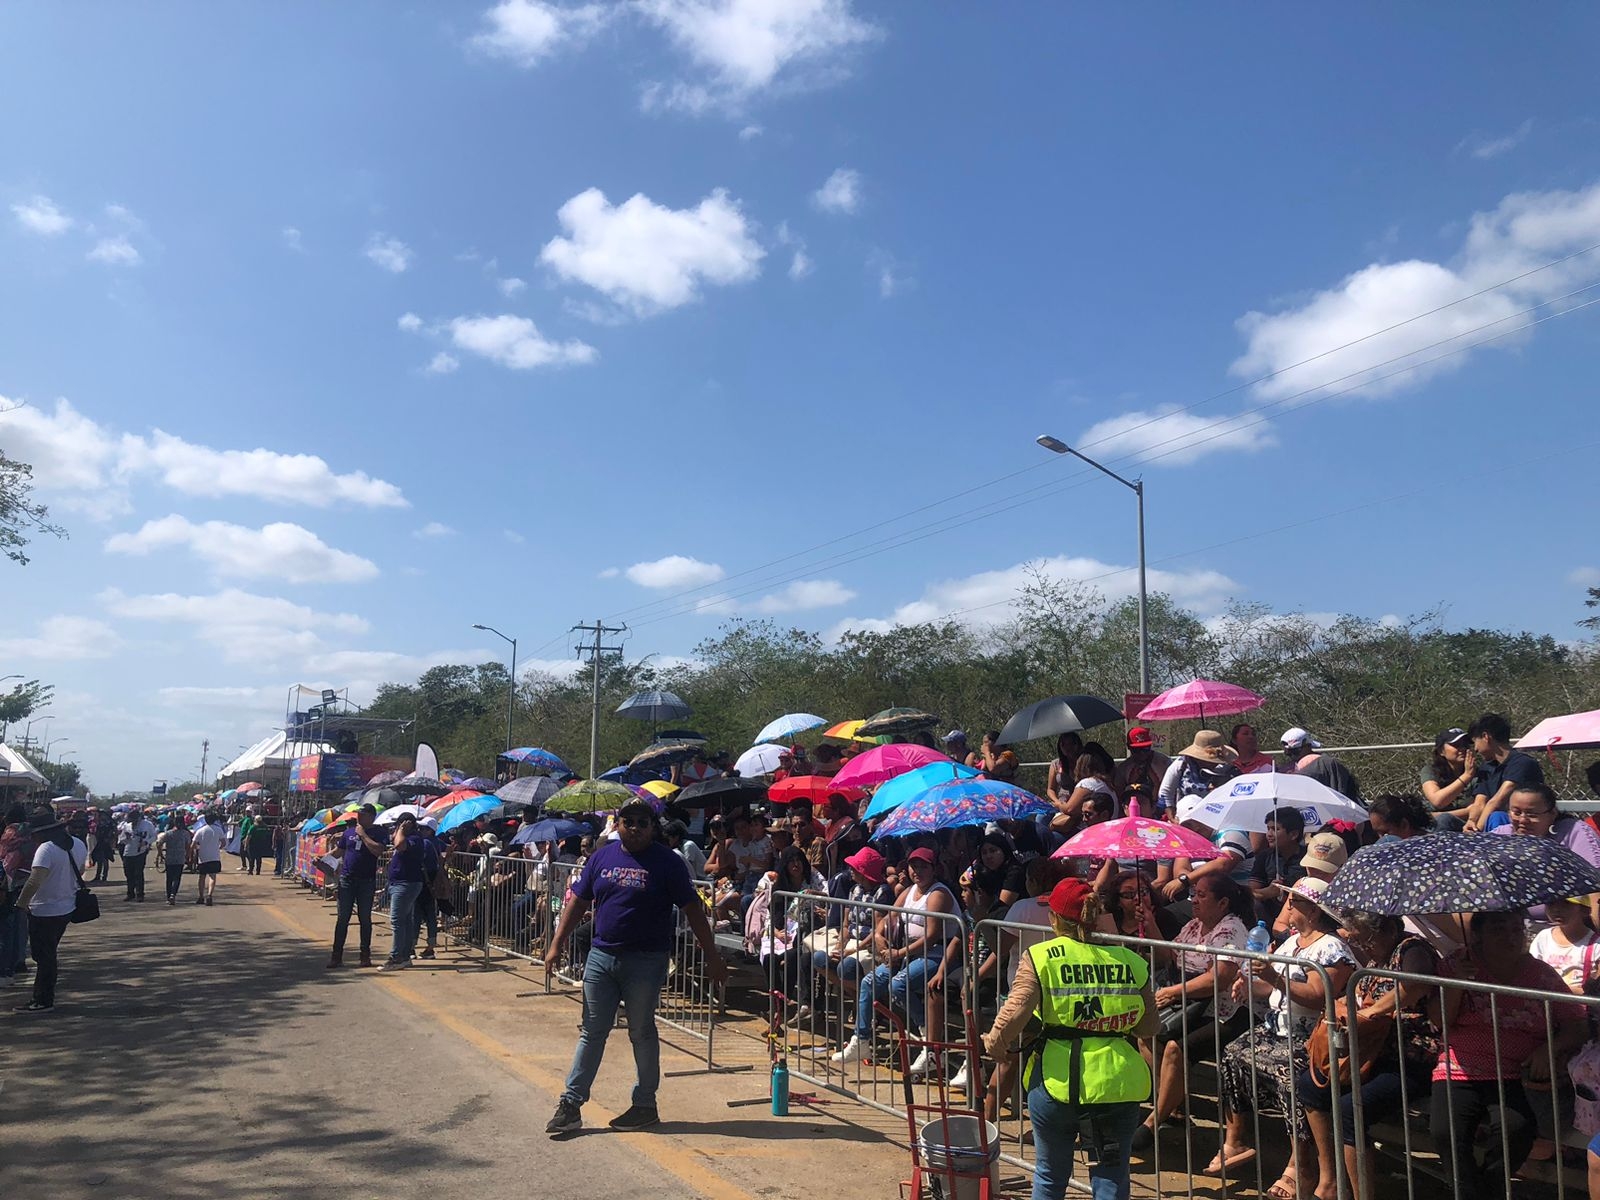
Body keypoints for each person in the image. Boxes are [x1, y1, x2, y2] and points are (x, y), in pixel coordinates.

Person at [542, 796, 726, 1135]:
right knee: (592, 1031)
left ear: (653, 827)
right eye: (629, 821)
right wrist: (557, 943)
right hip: (601, 957)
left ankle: (644, 1104)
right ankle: (571, 1103)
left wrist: (712, 956)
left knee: (641, 1031)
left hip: (646, 960)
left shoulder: (668, 862)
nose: (636, 828)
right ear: (618, 825)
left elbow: (693, 912)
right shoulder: (602, 857)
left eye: (644, 822)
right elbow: (579, 901)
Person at [982, 878, 1158, 1200]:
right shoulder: (1132, 961)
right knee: (1111, 1176)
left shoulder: (1042, 956)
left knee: (1051, 1174)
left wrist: (995, 1044)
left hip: (1057, 1080)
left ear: (1054, 918)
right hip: (1117, 1084)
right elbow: (1149, 1027)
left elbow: (1015, 1011)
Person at [1213, 877, 1356, 1199]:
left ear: (1315, 911)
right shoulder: (1292, 942)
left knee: (1289, 1074)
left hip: (1310, 1038)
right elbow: (1277, 989)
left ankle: (1300, 1166)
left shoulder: (1331, 947)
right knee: (1233, 1053)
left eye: (1296, 902)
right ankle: (1236, 1139)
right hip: (1277, 1027)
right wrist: (1251, 987)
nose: (1288, 906)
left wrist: (1273, 977)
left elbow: (1319, 996)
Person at [1430, 910, 1588, 1200]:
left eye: (1517, 929)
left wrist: (1548, 1048)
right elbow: (1440, 1020)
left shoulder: (1540, 974)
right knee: (1445, 1130)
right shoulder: (1457, 964)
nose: (1511, 937)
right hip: (1459, 1065)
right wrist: (1457, 984)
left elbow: (1576, 1023)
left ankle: (1485, 1191)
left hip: (1516, 1072)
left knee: (1516, 1130)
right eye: (1500, 929)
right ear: (1478, 934)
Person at [1299, 911, 1441, 1200]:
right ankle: (1330, 1181)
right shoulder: (1377, 958)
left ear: (1388, 930)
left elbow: (1415, 981)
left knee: (1352, 1108)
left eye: (1367, 940)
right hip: (1370, 1052)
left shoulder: (1412, 949)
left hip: (1411, 1055)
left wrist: (1375, 1010)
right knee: (1310, 1086)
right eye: (1359, 940)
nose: (1363, 947)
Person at [1134, 874, 1253, 1152]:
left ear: (1222, 902)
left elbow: (1219, 978)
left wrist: (1173, 992)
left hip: (1228, 1011)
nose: (1193, 900)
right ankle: (1174, 1102)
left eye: (1201, 895)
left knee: (1176, 1048)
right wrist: (1150, 923)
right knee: (1146, 1035)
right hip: (1192, 1007)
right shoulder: (1192, 926)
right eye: (1193, 894)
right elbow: (1169, 956)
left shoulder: (1231, 930)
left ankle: (1154, 1120)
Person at [832, 846, 957, 1074]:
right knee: (869, 982)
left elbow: (931, 936)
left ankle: (927, 1039)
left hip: (936, 953)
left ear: (933, 869)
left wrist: (900, 953)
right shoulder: (908, 892)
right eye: (913, 866)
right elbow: (889, 916)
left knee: (899, 984)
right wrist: (879, 935)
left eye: (923, 866)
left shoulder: (938, 894)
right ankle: (861, 1040)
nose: (917, 870)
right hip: (908, 953)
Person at [1493, 783, 1600, 925]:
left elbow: (1595, 885)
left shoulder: (1574, 832)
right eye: (1516, 812)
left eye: (1532, 814)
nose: (1523, 820)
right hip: (1511, 925)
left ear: (1552, 814)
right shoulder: (1501, 835)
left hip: (1566, 928)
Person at [13, 813, 88, 1012]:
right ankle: (44, 996)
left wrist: (21, 904)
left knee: (44, 957)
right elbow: (80, 870)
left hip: (44, 910)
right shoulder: (78, 844)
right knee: (49, 954)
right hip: (66, 907)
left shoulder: (46, 849)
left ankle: (43, 999)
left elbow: (35, 880)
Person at [1461, 712, 1543, 832]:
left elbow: (1496, 802)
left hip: (1522, 823)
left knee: (1497, 817)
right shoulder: (1486, 767)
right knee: (1446, 820)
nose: (1476, 749)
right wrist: (1471, 822)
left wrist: (1477, 832)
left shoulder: (1522, 763)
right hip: (1490, 824)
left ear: (1485, 737)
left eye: (1475, 742)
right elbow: (1480, 802)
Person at [327, 806, 384, 968]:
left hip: (366, 881)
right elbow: (339, 851)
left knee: (364, 919)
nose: (359, 817)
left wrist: (363, 835)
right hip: (347, 880)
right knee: (342, 918)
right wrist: (323, 858)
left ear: (371, 817)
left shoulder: (378, 833)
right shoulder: (348, 832)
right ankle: (336, 956)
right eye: (358, 814)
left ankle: (365, 955)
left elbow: (378, 851)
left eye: (363, 814)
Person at [381, 815, 433, 971]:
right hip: (399, 882)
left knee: (397, 920)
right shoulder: (405, 836)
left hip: (406, 883)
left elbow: (400, 845)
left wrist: (402, 830)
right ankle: (405, 956)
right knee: (406, 920)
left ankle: (396, 956)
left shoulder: (415, 839)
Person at [1248, 807, 1307, 915]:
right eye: (1268, 828)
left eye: (1275, 829)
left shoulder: (1308, 858)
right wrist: (1268, 892)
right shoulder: (1264, 857)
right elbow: (1251, 893)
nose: (1269, 834)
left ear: (1293, 834)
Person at [1158, 730, 1237, 812]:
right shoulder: (1182, 764)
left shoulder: (1229, 768)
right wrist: (1172, 817)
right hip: (1186, 815)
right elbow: (1165, 792)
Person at [1281, 727, 1363, 803]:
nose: (1291, 756)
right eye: (1289, 753)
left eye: (1294, 752)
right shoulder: (1329, 763)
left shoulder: (1325, 764)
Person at [1421, 728, 1478, 829]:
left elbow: (1479, 807)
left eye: (1465, 745)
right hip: (1434, 827)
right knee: (1444, 819)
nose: (1462, 749)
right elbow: (1438, 801)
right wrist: (1466, 776)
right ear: (1441, 751)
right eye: (1456, 745)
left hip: (1466, 827)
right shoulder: (1430, 771)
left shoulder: (1478, 774)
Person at [1113, 726, 1170, 811]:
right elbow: (1119, 792)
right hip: (1133, 809)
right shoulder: (1124, 768)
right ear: (1129, 747)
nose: (1142, 753)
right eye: (1137, 750)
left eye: (1146, 749)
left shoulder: (1164, 763)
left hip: (1161, 810)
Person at [117, 806, 157, 902]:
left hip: (140, 852)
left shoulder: (147, 825)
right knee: (128, 874)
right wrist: (126, 838)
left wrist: (146, 842)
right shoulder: (127, 826)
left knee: (138, 874)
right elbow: (120, 840)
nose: (132, 822)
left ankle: (140, 894)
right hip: (128, 852)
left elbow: (154, 836)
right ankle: (130, 893)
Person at [190, 810, 224, 905]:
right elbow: (223, 842)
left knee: (202, 877)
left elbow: (192, 844)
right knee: (212, 876)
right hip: (214, 856)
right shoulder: (218, 829)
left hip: (203, 857)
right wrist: (218, 847)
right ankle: (209, 895)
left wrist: (196, 850)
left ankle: (201, 897)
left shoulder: (200, 830)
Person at [1045, 732, 1086, 809]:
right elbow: (1050, 789)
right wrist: (1057, 801)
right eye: (1063, 744)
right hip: (1061, 801)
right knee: (1041, 817)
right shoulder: (1056, 764)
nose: (1068, 748)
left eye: (1071, 744)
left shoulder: (1085, 763)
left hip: (1080, 802)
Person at [156, 813, 191, 905]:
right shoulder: (185, 834)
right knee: (177, 878)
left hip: (169, 858)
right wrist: (188, 856)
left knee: (169, 878)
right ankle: (173, 894)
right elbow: (188, 846)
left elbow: (159, 843)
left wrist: (160, 854)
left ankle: (168, 897)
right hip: (180, 858)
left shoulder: (168, 833)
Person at [89, 810, 117, 882]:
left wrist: (111, 840)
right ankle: (98, 876)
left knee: (105, 860)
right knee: (99, 860)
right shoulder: (97, 822)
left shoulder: (109, 822)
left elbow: (114, 831)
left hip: (106, 842)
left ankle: (104, 876)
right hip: (98, 842)